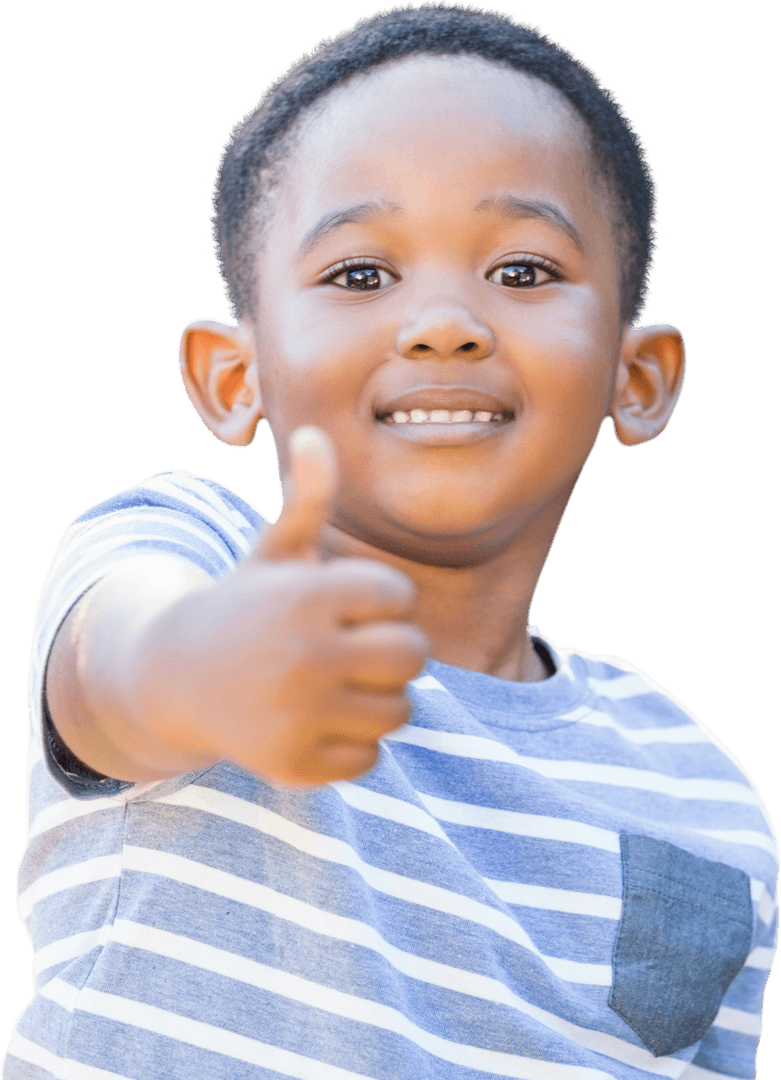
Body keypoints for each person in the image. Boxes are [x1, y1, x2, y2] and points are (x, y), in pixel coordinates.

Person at [4, 4, 777, 1078]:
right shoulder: (188, 551)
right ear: (236, 379)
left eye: (522, 271)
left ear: (633, 379)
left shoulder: (702, 788)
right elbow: (118, 674)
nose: (445, 322)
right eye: (362, 275)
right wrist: (211, 670)